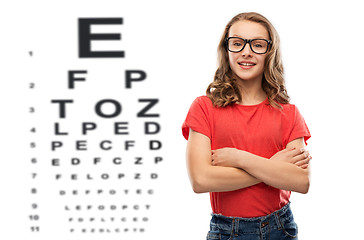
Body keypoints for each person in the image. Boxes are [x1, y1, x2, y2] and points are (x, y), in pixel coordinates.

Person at [182, 12, 311, 239]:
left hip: (279, 228)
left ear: (270, 53)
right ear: (226, 49)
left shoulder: (289, 113)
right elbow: (200, 180)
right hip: (226, 230)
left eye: (258, 44)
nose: (246, 51)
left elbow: (301, 181)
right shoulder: (204, 107)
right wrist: (273, 167)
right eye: (238, 43)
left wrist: (240, 158)